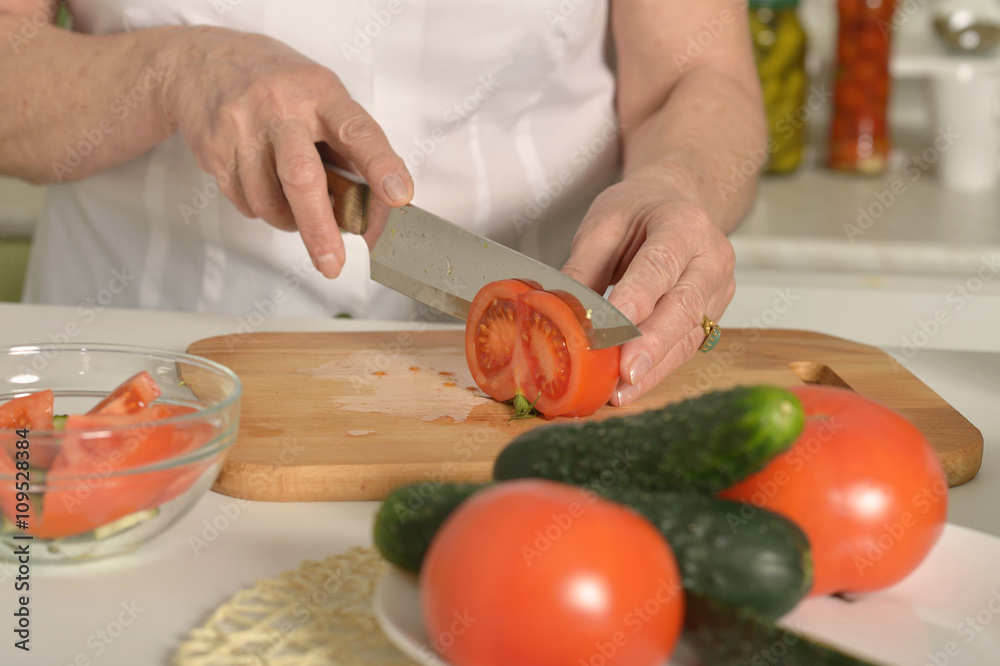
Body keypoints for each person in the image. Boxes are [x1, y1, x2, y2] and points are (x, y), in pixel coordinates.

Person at [0, 0, 765, 407]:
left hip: (521, 398)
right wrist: (173, 68)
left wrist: (681, 181)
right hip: (130, 378)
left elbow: (701, 76)